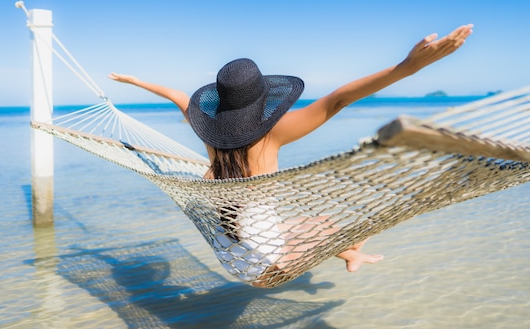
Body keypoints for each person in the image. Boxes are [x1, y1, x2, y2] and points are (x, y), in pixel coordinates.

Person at [110, 24, 474, 285]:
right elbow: (338, 99)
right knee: (336, 226)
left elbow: (176, 95)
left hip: (231, 253)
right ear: (262, 103)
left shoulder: (208, 135)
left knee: (322, 224)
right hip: (264, 265)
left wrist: (135, 82)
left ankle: (351, 255)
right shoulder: (272, 134)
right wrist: (408, 67)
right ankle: (353, 250)